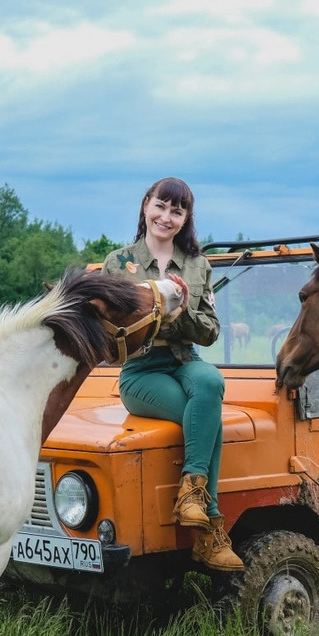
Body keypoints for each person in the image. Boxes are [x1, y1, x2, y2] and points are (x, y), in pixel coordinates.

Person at [102, 177, 243, 572]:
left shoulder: (198, 266)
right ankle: (209, 527)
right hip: (141, 369)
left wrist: (181, 314)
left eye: (177, 211)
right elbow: (108, 326)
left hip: (185, 359)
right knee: (204, 417)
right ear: (146, 205)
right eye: (161, 206)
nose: (166, 217)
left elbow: (211, 331)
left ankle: (191, 497)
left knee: (211, 382)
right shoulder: (119, 262)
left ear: (185, 219)